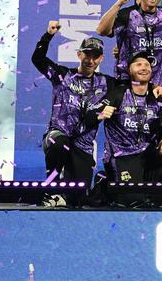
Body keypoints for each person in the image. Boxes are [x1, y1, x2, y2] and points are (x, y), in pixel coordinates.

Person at [86, 51, 162, 204]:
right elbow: (90, 115)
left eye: (147, 65)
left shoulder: (156, 96)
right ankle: (104, 182)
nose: (144, 68)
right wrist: (99, 114)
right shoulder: (119, 93)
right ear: (129, 70)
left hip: (146, 154)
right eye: (138, 64)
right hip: (122, 156)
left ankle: (161, 194)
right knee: (132, 201)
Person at [32, 21, 113, 205]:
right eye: (87, 54)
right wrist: (48, 35)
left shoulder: (108, 83)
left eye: (96, 56)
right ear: (79, 54)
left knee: (79, 199)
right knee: (59, 143)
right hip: (58, 135)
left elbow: (131, 85)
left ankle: (98, 180)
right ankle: (51, 189)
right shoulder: (62, 75)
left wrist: (157, 89)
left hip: (83, 145)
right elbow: (37, 59)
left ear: (101, 59)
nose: (90, 60)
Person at [96, 0, 162, 87]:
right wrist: (119, 3)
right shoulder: (128, 14)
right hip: (127, 83)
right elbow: (101, 30)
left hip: (156, 85)